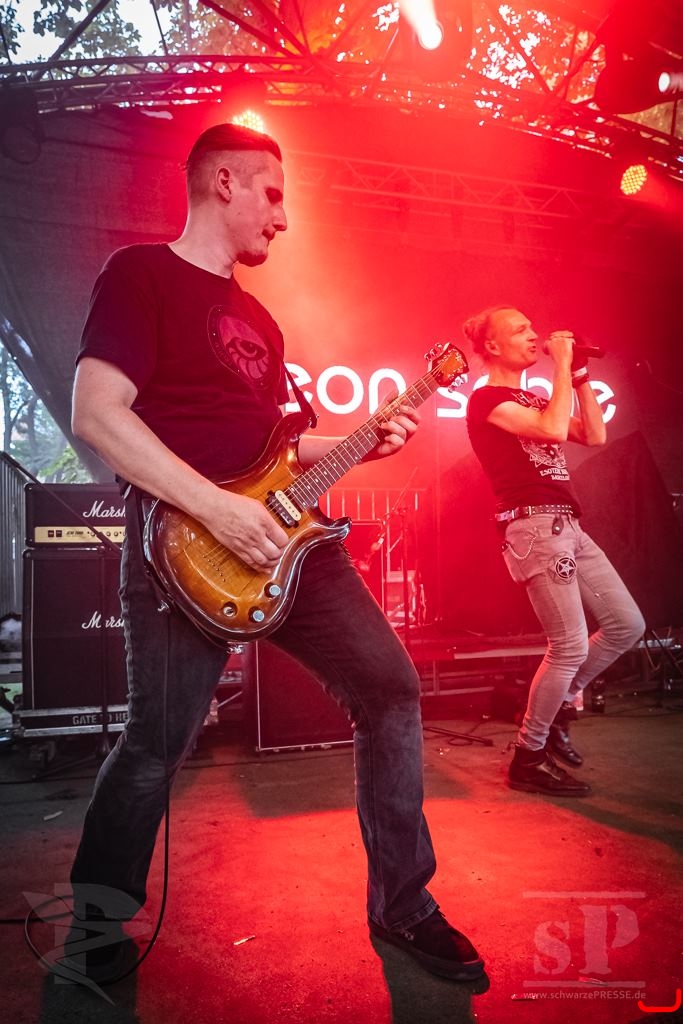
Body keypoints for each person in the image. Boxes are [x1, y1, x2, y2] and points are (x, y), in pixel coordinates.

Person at [65, 122, 484, 985]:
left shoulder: (257, 318)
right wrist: (215, 508)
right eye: (273, 194)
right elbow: (98, 413)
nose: (283, 219)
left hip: (288, 542)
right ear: (224, 181)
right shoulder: (139, 275)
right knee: (156, 742)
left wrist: (365, 438)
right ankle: (95, 924)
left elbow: (278, 451)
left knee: (390, 688)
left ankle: (404, 906)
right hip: (185, 543)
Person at [464, 306, 645, 797]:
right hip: (535, 528)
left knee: (627, 624)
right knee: (568, 645)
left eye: (532, 327)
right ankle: (529, 756)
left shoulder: (536, 397)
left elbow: (594, 435)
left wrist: (579, 375)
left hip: (569, 526)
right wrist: (562, 364)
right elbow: (548, 430)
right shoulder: (485, 399)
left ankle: (558, 704)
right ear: (493, 346)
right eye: (520, 330)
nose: (534, 335)